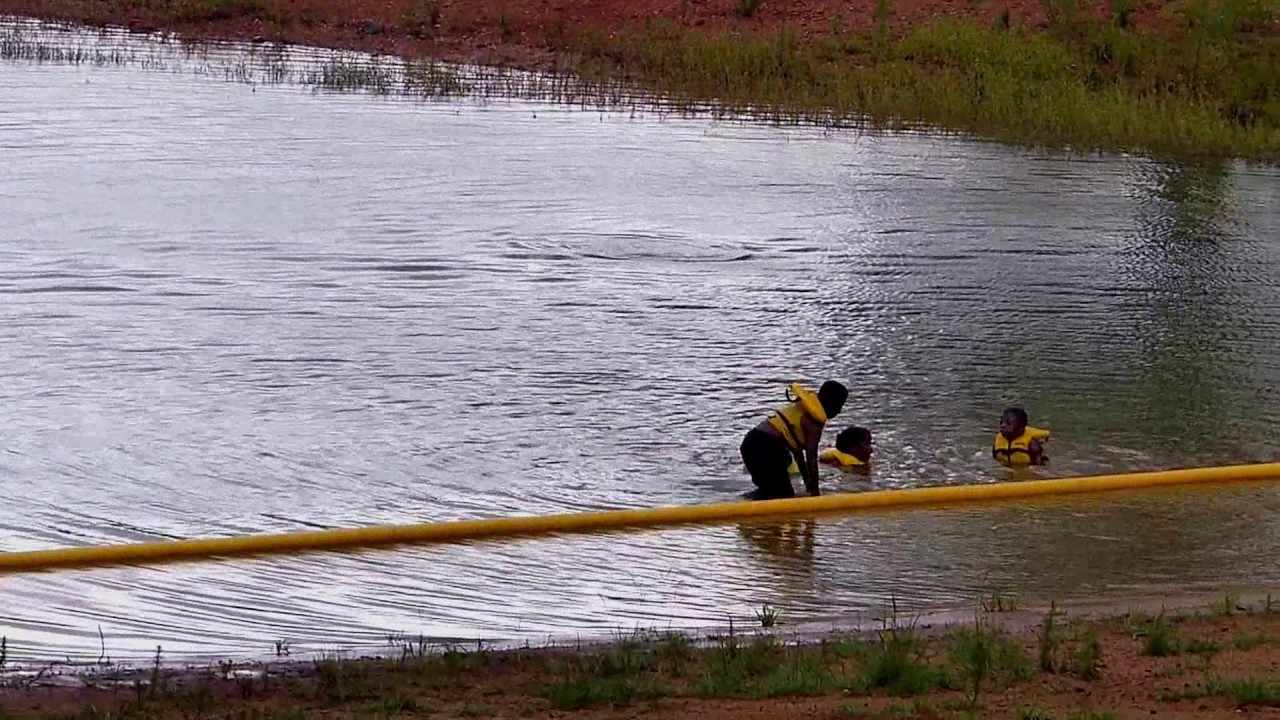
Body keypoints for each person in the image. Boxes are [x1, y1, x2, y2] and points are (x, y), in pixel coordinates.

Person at [740, 380, 847, 500]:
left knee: (769, 491)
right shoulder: (814, 424)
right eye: (840, 406)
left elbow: (798, 455)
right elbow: (811, 459)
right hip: (765, 446)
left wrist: (807, 484)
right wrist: (816, 496)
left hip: (750, 443)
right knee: (783, 495)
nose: (839, 411)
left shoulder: (801, 408)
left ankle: (740, 503)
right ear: (831, 403)